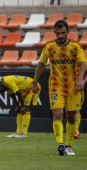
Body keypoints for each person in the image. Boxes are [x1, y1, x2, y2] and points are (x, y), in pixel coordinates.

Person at [32, 19, 86, 156]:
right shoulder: (49, 47)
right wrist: (34, 82)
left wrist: (81, 80)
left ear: (68, 32)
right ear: (54, 32)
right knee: (58, 114)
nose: (61, 36)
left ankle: (68, 145)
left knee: (72, 117)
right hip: (56, 86)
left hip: (73, 87)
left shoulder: (75, 46)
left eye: (63, 33)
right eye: (58, 33)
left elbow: (83, 63)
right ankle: (60, 144)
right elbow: (41, 64)